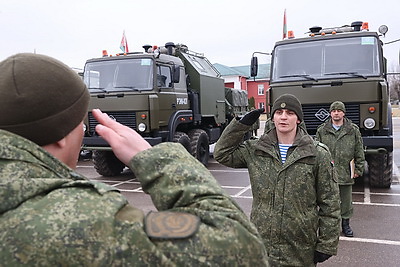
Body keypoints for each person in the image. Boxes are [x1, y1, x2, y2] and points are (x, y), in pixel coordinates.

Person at [0, 53, 269, 266]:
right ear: (61, 134)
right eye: (79, 123)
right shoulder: (83, 219)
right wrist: (151, 157)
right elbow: (239, 248)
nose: (84, 129)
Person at [214, 94, 341, 266]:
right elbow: (222, 153)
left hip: (300, 246)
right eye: (279, 112)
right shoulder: (256, 149)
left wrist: (326, 244)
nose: (283, 117)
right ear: (272, 117)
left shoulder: (317, 153)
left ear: (298, 119)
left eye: (289, 113)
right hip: (262, 243)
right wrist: (240, 125)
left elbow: (330, 203)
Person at [316, 101, 365, 237]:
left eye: (339, 110)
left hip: (345, 171)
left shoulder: (352, 130)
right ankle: (328, 227)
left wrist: (358, 169)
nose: (336, 113)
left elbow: (359, 150)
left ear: (344, 113)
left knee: (346, 202)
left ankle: (346, 225)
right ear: (330, 113)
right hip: (327, 173)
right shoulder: (322, 130)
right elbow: (317, 151)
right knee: (326, 201)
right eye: (333, 111)